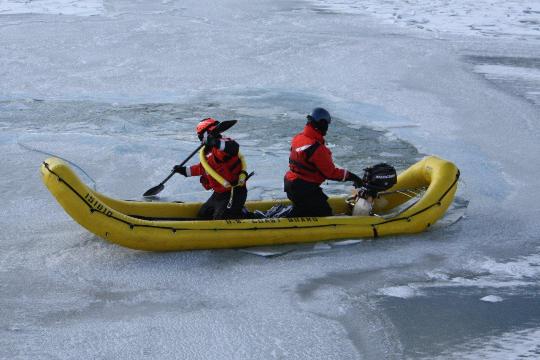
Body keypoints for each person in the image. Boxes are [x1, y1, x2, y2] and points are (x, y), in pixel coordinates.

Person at [284, 107, 363, 217]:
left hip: (291, 184)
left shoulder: (299, 137)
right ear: (320, 124)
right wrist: (353, 177)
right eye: (326, 124)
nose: (327, 128)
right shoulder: (316, 148)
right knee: (325, 213)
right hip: (303, 189)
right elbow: (330, 173)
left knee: (305, 209)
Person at [173, 118, 248, 220]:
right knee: (203, 214)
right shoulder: (207, 152)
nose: (200, 139)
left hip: (233, 192)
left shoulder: (221, 145)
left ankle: (244, 214)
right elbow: (203, 168)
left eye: (200, 136)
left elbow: (234, 148)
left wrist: (215, 142)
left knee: (221, 218)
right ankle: (237, 211)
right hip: (220, 193)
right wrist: (183, 170)